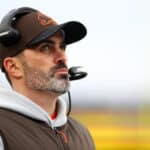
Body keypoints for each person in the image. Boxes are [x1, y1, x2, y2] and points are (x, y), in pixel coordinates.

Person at [0, 7, 95, 150]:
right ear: (13, 67)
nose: (62, 57)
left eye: (62, 47)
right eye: (45, 48)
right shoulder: (3, 132)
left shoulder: (82, 133)